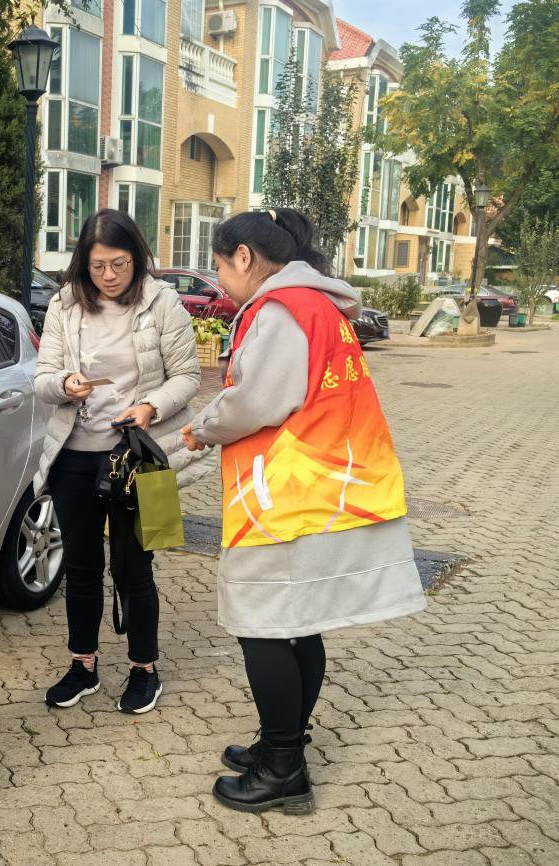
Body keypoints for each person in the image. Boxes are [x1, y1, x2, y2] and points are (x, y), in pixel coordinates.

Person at [181, 208, 427, 814]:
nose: (221, 280)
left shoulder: (282, 309)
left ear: (244, 257)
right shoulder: (320, 306)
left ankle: (284, 768)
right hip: (330, 487)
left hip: (290, 496)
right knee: (299, 622)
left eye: (220, 266)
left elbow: (255, 401)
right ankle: (279, 742)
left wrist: (202, 429)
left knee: (261, 623)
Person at [33, 208, 207, 715]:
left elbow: (188, 375)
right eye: (98, 266)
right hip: (74, 456)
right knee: (81, 566)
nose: (109, 276)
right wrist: (64, 384)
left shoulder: (162, 302)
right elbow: (43, 377)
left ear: (137, 256)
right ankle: (82, 665)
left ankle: (144, 669)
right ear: (82, 265)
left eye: (119, 264)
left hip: (139, 457)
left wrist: (150, 407)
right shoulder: (65, 304)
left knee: (135, 568)